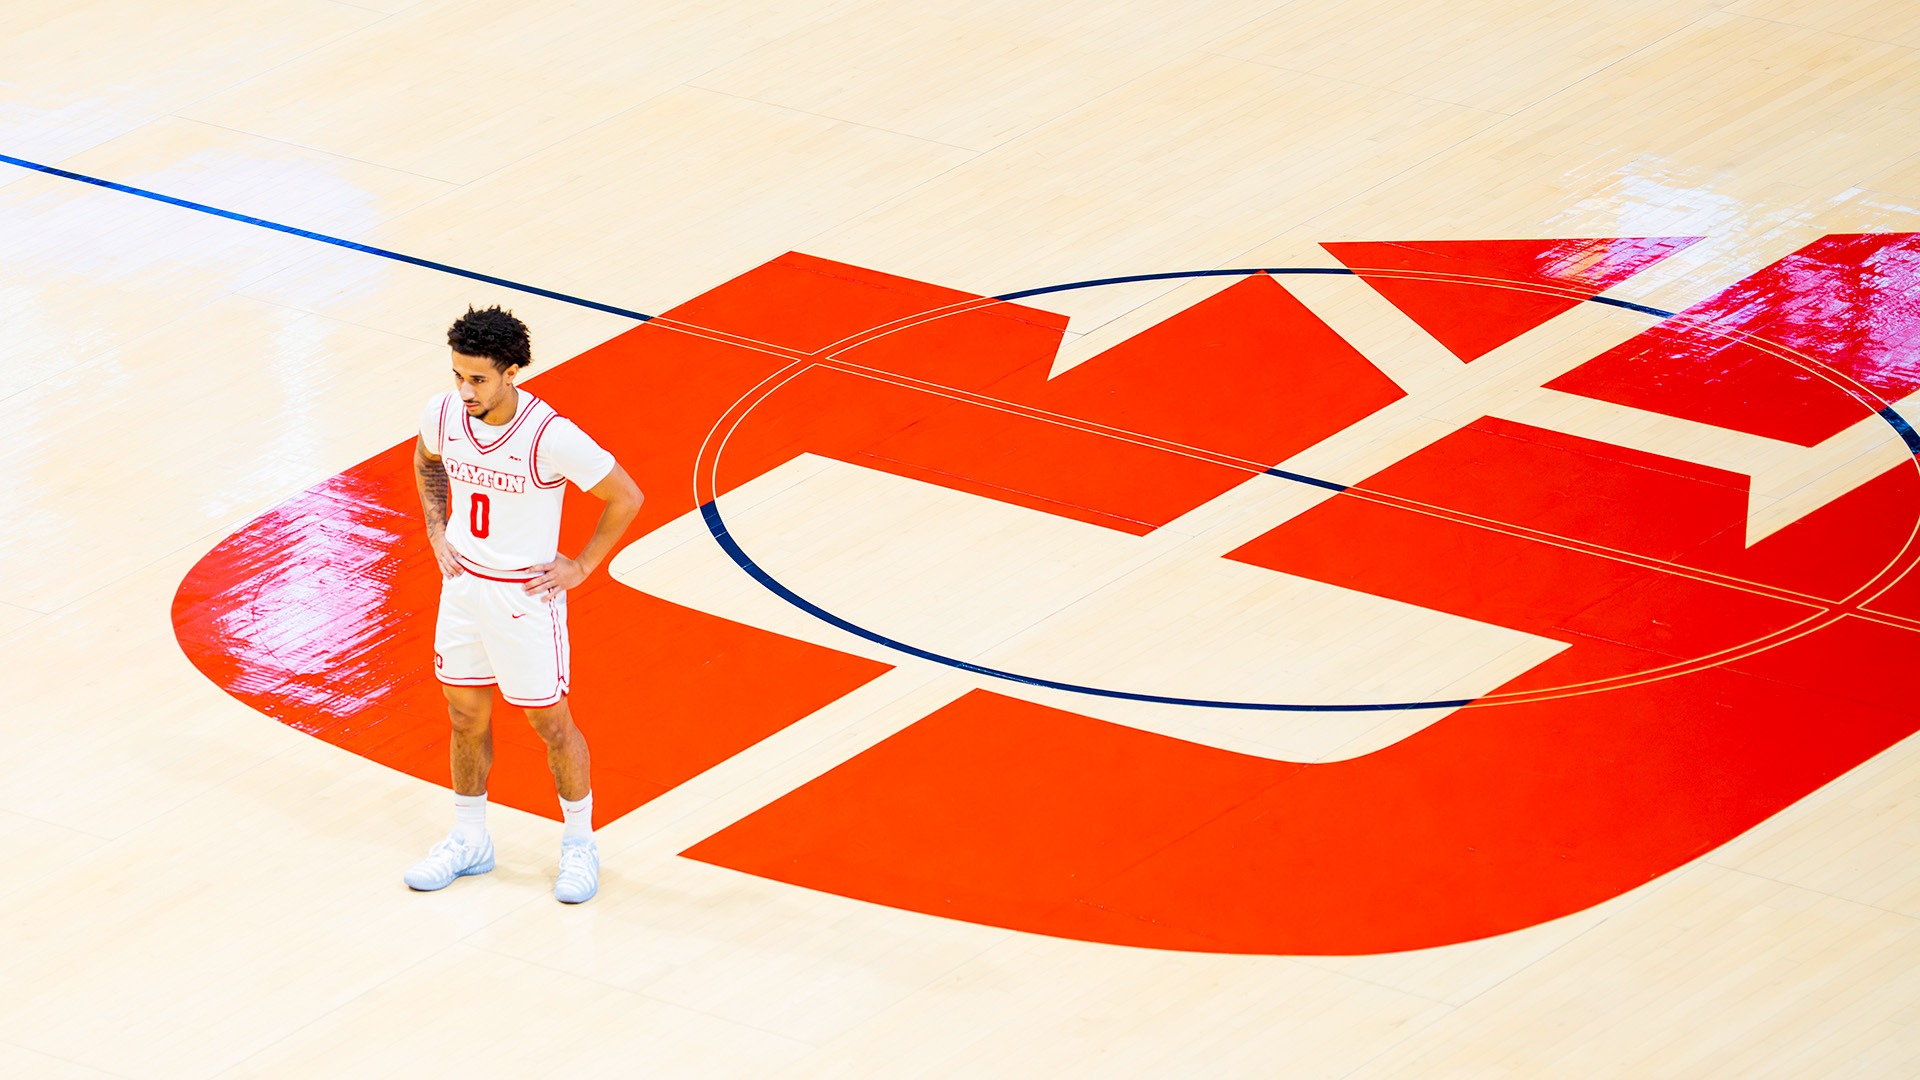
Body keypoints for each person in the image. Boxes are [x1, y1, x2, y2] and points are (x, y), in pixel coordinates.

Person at [402, 305, 642, 903]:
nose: (464, 390)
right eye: (458, 375)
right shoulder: (443, 412)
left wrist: (582, 565)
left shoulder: (549, 435)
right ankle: (470, 838)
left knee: (549, 723)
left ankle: (581, 844)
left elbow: (626, 495)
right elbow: (426, 460)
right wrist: (436, 530)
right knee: (463, 716)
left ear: (512, 372)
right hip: (461, 587)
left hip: (523, 596)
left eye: (478, 379)